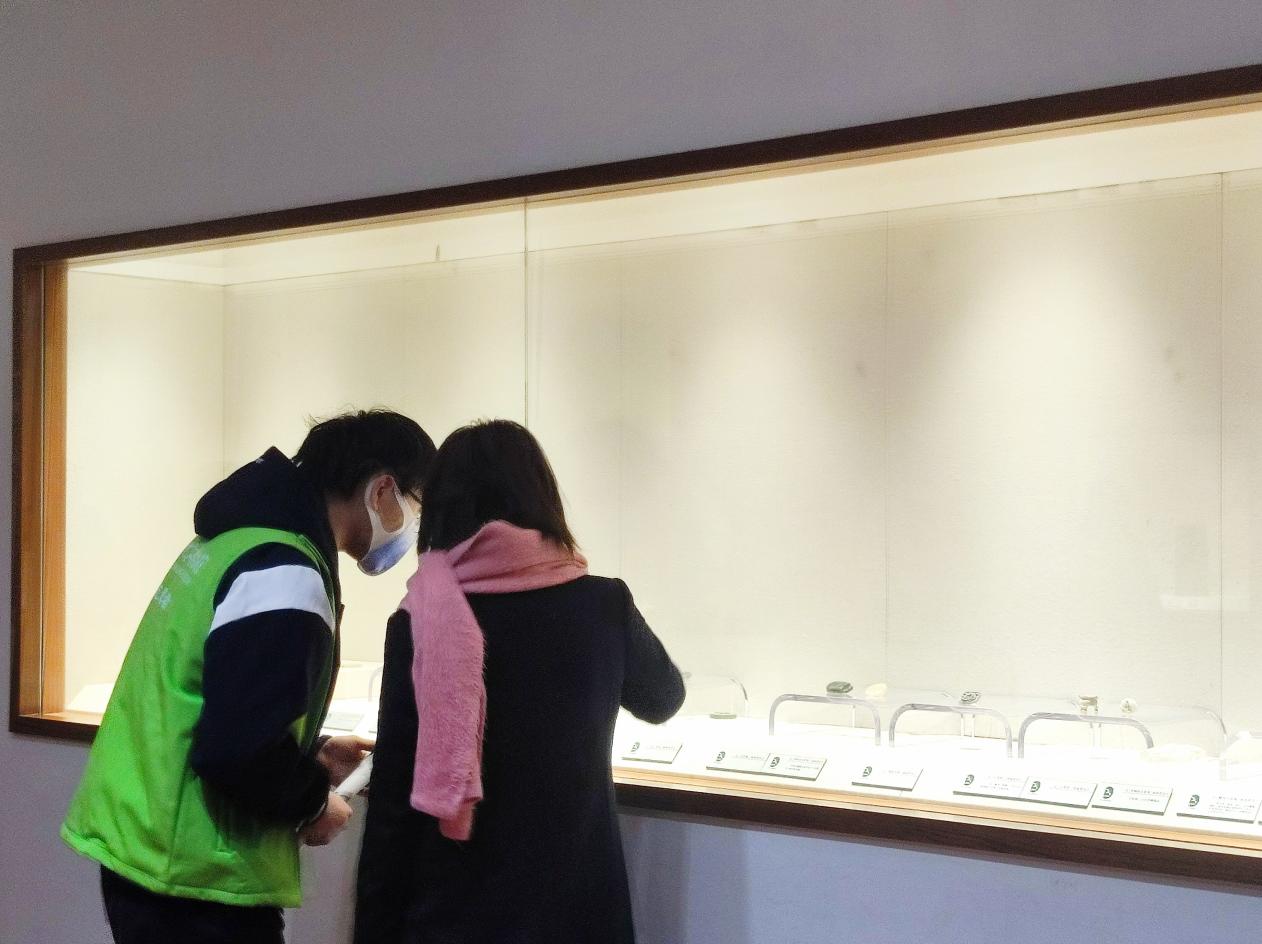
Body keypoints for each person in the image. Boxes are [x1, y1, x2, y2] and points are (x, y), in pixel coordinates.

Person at [61, 409, 437, 944]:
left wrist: (314, 754)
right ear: (381, 490)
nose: (412, 526)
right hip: (195, 875)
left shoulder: (236, 541)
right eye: (415, 506)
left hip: (150, 846)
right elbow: (237, 750)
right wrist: (312, 803)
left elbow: (219, 700)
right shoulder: (284, 570)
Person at [354, 419, 686, 944]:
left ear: (441, 508)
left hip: (454, 914)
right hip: (579, 913)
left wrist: (373, 930)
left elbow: (395, 799)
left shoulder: (420, 619)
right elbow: (664, 699)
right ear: (542, 499)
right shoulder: (602, 603)